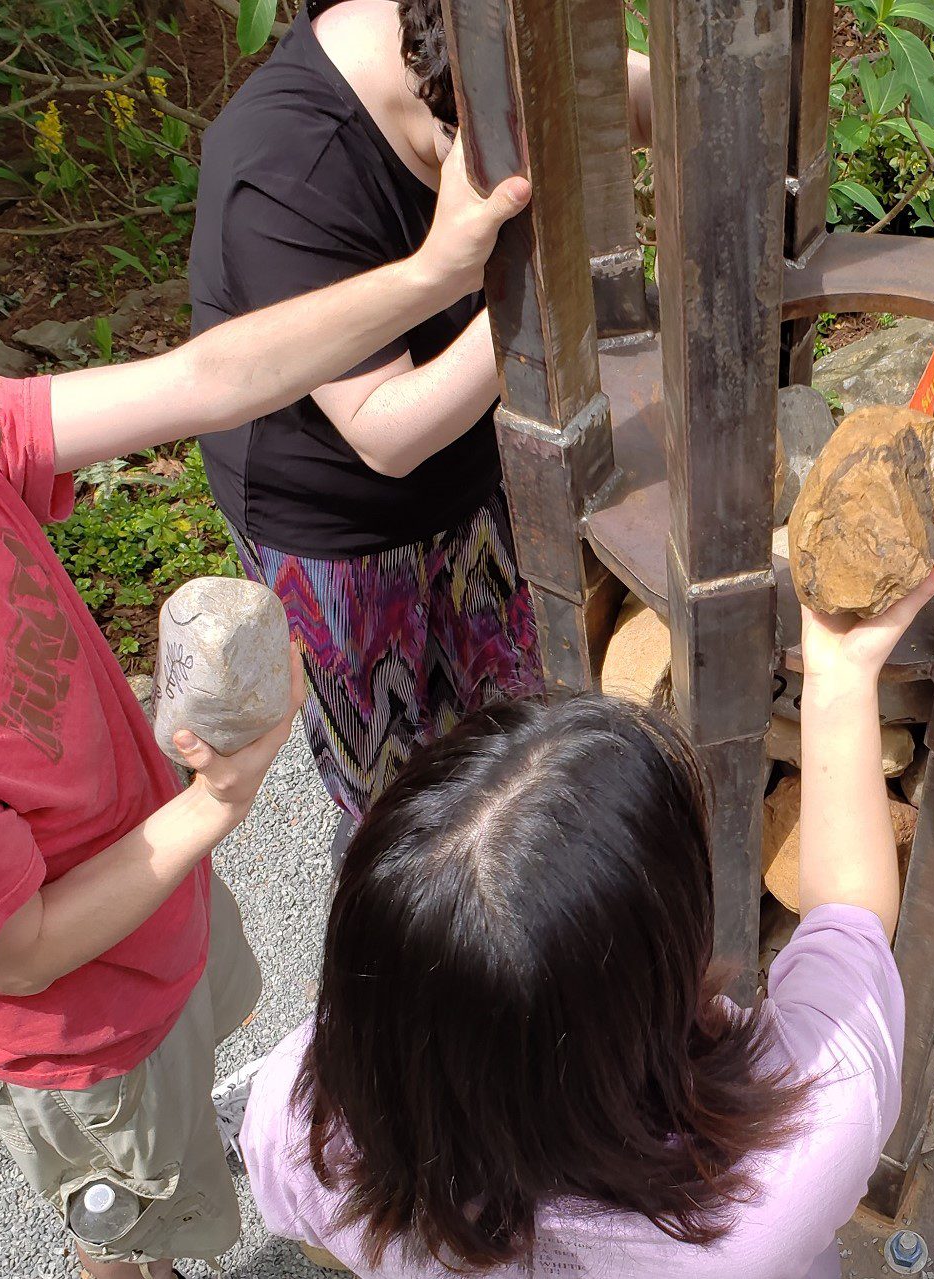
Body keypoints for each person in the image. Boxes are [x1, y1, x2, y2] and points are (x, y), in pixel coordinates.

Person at [0, 150, 528, 1279]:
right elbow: (20, 952)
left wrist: (435, 271)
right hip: (82, 1042)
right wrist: (222, 798)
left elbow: (210, 377)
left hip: (153, 913)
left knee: (192, 1090)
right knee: (138, 1225)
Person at [238, 564, 934, 1276]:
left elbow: (318, 1222)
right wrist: (839, 677)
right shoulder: (794, 1160)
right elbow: (851, 919)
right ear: (664, 959)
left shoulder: (304, 1132)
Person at [189, 0, 652, 841]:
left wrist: (679, 112)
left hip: (471, 464)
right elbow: (384, 431)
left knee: (508, 732)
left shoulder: (461, 49)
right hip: (337, 519)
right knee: (398, 796)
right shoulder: (284, 172)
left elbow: (590, 87)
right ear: (451, 119)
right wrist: (548, 271)